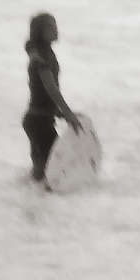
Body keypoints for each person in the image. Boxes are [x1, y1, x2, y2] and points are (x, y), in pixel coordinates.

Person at [23, 12, 83, 182]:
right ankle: (36, 205)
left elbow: (40, 91)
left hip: (38, 120)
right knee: (49, 175)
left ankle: (29, 205)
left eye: (55, 25)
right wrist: (68, 113)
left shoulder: (42, 52)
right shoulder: (42, 57)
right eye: (51, 26)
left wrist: (58, 112)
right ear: (40, 31)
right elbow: (51, 89)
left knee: (41, 175)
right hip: (39, 123)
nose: (56, 29)